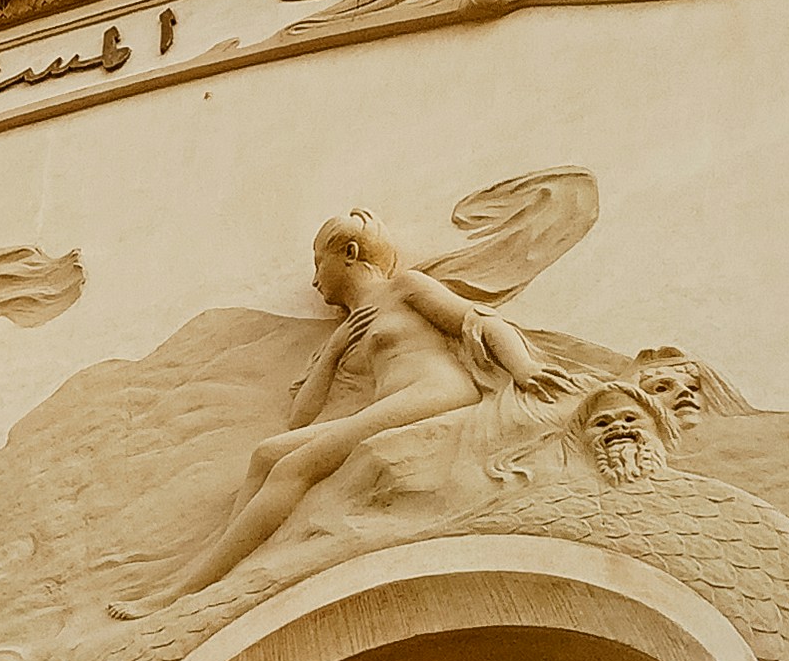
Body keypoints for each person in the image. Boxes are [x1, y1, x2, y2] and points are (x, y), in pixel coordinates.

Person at [117, 209, 543, 614]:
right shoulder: (348, 329)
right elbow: (301, 418)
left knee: (294, 467)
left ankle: (191, 586)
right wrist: (334, 350)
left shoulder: (405, 289)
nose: (315, 280)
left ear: (350, 255)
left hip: (436, 390)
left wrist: (524, 368)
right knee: (267, 453)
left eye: (319, 263)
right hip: (396, 402)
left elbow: (479, 321)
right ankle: (223, 558)